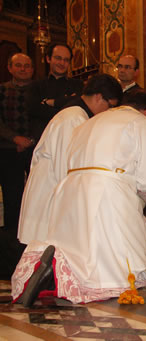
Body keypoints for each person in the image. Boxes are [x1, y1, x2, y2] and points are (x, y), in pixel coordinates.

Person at [12, 90, 146, 307]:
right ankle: (103, 284)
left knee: (78, 251)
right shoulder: (141, 123)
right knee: (115, 262)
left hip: (70, 189)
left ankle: (52, 274)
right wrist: (141, 198)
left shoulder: (90, 121)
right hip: (108, 190)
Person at [17, 74, 123, 245]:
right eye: (110, 106)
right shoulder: (73, 118)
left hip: (55, 192)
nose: (108, 112)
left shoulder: (78, 115)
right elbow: (65, 168)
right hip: (50, 194)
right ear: (98, 97)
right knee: (46, 258)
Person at [0, 53, 35, 279]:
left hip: (34, 150)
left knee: (35, 198)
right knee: (13, 201)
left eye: (27, 66)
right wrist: (15, 139)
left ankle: (32, 248)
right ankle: (12, 254)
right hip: (7, 150)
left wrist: (30, 140)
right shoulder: (1, 89)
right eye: (18, 66)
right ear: (10, 68)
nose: (23, 69)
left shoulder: (37, 90)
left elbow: (43, 118)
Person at [26, 43, 84, 140]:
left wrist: (49, 103)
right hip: (42, 139)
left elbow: (79, 106)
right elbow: (34, 109)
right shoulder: (36, 85)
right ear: (48, 59)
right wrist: (66, 103)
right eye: (58, 58)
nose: (62, 63)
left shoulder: (78, 85)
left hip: (69, 138)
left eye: (66, 60)